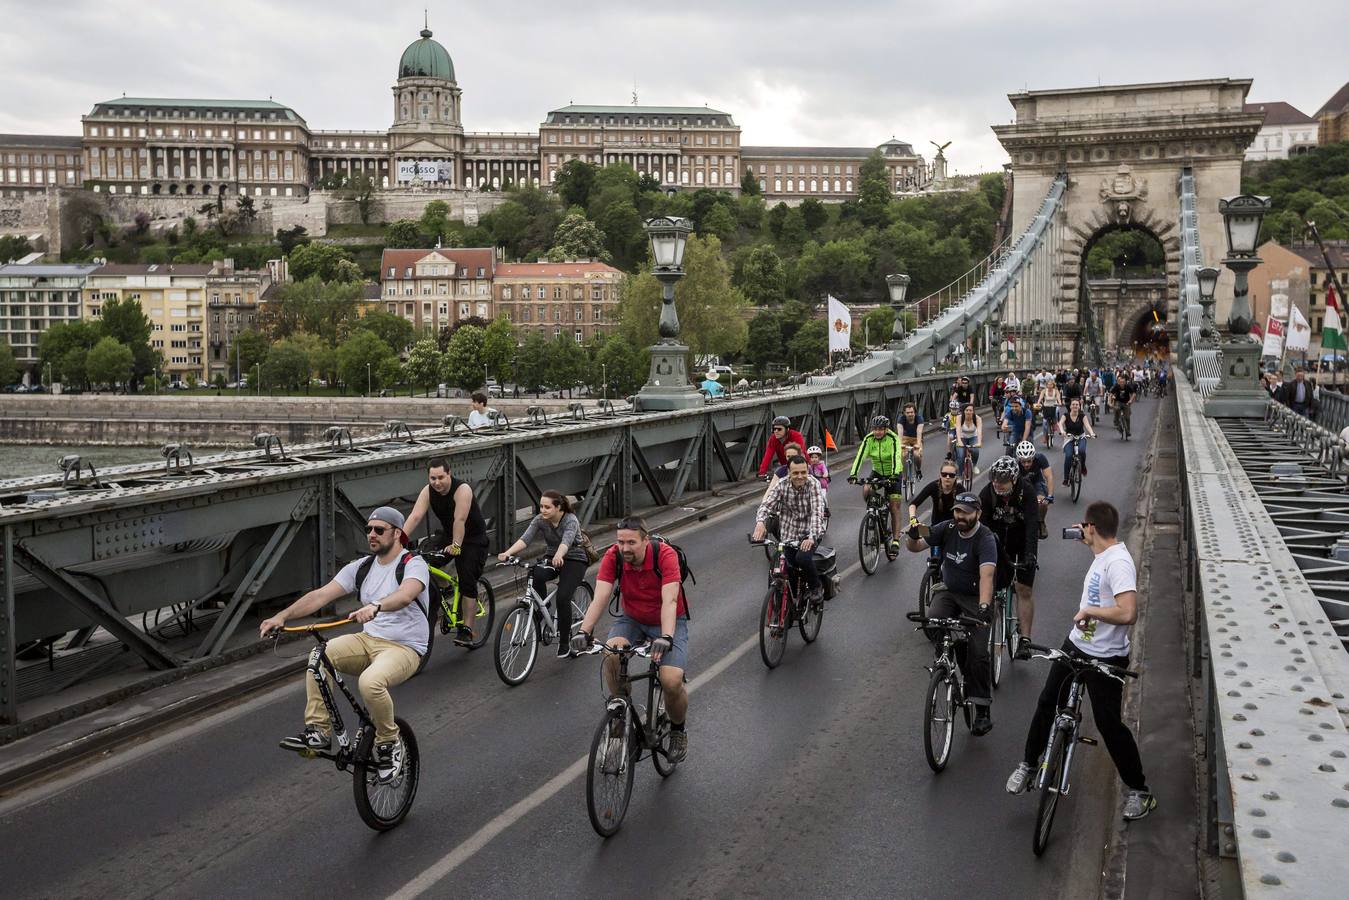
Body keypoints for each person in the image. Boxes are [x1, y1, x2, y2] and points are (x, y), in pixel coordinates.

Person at [1006, 501, 1156, 820]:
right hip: (1076, 646)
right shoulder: (1102, 555)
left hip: (1106, 657)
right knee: (1048, 702)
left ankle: (1139, 791)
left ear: (1092, 527)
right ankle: (1028, 765)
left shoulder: (1118, 563)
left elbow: (1128, 612)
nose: (1080, 530)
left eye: (1084, 526)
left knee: (1109, 725)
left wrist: (1090, 612)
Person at [263, 506, 427, 782]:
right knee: (319, 657)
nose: (371, 535)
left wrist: (376, 606)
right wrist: (282, 616)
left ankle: (389, 743)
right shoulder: (361, 568)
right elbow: (320, 595)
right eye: (368, 530)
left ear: (397, 533)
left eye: (379, 530)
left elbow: (405, 595)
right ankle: (320, 731)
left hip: (404, 647)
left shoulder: (413, 563)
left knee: (370, 683)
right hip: (368, 640)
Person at [572, 517, 690, 763]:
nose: (624, 548)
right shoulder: (613, 557)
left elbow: (669, 601)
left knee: (671, 680)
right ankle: (620, 715)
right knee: (612, 655)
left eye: (631, 542)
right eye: (620, 542)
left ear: (645, 540)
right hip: (633, 618)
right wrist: (584, 631)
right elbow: (601, 596)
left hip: (667, 621)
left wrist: (666, 636)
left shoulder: (664, 555)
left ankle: (678, 731)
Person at [905, 491, 997, 735]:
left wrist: (985, 608)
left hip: (975, 597)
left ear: (977, 513)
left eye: (966, 513)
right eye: (957, 511)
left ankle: (982, 709)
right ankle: (947, 656)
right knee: (933, 622)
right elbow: (915, 545)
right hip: (948, 591)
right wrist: (912, 536)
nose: (960, 516)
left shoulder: (985, 538)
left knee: (978, 653)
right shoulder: (945, 528)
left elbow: (987, 576)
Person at [403, 457, 490, 644]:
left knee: (467, 578)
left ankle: (467, 629)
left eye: (441, 477)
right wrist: (398, 540)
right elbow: (415, 516)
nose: (437, 483)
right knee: (422, 560)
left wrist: (456, 546)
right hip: (448, 535)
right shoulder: (428, 491)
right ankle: (447, 588)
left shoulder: (462, 490)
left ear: (449, 473)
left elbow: (459, 520)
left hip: (472, 539)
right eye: (432, 478)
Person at [497, 490, 590, 658]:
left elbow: (566, 541)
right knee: (535, 574)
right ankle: (542, 608)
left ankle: (564, 642)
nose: (543, 510)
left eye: (547, 507)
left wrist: (559, 555)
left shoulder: (570, 520)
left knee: (563, 598)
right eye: (541, 506)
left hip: (574, 558)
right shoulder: (541, 520)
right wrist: (507, 553)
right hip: (552, 556)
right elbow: (525, 539)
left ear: (558, 507)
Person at [980, 456, 1040, 655]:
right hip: (997, 541)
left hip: (1022, 542)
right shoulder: (987, 494)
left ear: (1014, 480)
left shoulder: (1027, 492)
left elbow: (1032, 525)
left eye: (1002, 481)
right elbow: (981, 527)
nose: (997, 484)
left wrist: (1031, 555)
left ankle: (1025, 640)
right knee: (988, 581)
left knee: (1023, 589)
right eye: (994, 479)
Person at [753, 456, 829, 603]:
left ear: (807, 471)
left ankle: (816, 586)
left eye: (803, 472)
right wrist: (760, 522)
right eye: (795, 473)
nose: (800, 476)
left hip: (810, 532)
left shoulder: (813, 484)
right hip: (789, 533)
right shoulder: (781, 485)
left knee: (802, 558)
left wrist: (811, 537)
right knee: (788, 565)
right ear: (788, 472)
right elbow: (767, 505)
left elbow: (817, 511)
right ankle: (792, 602)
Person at [848, 415, 904, 551]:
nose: (877, 432)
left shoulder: (893, 439)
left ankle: (896, 540)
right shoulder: (868, 439)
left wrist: (895, 474)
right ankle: (873, 512)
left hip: (893, 472)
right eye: (875, 429)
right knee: (867, 489)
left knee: (894, 506)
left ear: (886, 429)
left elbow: (896, 456)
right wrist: (853, 474)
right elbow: (860, 456)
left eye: (880, 429)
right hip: (878, 472)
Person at [1015, 439, 1054, 539]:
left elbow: (1049, 476)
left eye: (1029, 461)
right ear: (1019, 459)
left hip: (1036, 483)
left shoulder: (1040, 458)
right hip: (1020, 484)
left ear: (1033, 458)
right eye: (1023, 462)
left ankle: (1041, 522)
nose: (1026, 464)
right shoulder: (1014, 464)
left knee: (1042, 502)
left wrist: (1050, 496)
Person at [1059, 397, 1096, 480]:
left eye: (1077, 404)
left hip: (1081, 437)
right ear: (1070, 406)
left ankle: (1082, 466)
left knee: (1082, 451)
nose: (1075, 406)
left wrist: (1092, 433)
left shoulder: (1082, 415)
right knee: (1068, 456)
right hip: (1069, 437)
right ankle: (1066, 479)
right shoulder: (1066, 415)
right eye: (1073, 404)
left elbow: (1087, 425)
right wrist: (1062, 431)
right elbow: (1060, 423)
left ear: (1079, 406)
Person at [953, 403, 983, 477]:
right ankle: (959, 475)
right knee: (961, 455)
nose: (969, 412)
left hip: (973, 436)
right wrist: (959, 441)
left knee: (975, 451)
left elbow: (979, 431)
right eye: (967, 410)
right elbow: (958, 430)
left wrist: (979, 442)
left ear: (973, 411)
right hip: (962, 437)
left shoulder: (977, 418)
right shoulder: (959, 418)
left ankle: (974, 465)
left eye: (970, 410)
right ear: (964, 411)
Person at [897, 402, 925, 479]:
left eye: (912, 412)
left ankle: (918, 470)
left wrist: (918, 444)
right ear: (904, 413)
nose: (910, 414)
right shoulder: (901, 419)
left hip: (916, 438)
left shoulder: (919, 419)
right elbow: (900, 432)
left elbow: (919, 431)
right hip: (906, 438)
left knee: (917, 455)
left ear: (915, 412)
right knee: (903, 455)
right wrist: (900, 444)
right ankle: (904, 475)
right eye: (908, 413)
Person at [1037, 377, 1063, 447]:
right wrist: (1038, 403)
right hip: (1046, 407)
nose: (1049, 386)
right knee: (1045, 423)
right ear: (1046, 385)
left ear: (1053, 385)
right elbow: (1040, 398)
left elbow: (1058, 398)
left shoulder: (1056, 391)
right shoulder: (1044, 391)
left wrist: (1060, 403)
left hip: (1054, 406)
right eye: (1048, 385)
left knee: (1057, 410)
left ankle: (1055, 424)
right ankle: (1045, 437)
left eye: (1051, 385)